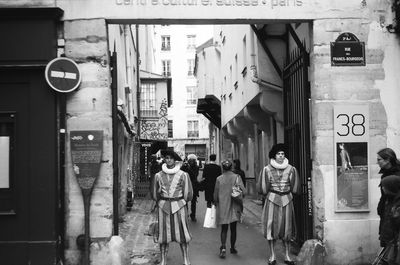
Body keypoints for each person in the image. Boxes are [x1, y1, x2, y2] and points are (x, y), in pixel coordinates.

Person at [257, 143, 301, 265]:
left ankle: (287, 255)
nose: (281, 156)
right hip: (272, 200)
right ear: (274, 156)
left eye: (282, 154)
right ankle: (272, 256)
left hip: (287, 200)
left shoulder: (291, 169)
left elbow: (295, 187)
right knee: (271, 228)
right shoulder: (266, 169)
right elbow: (263, 189)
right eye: (278, 154)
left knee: (287, 229)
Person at [151, 150, 193, 265]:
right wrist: (159, 193)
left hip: (179, 207)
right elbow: (154, 195)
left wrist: (182, 202)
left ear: (175, 160)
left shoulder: (183, 175)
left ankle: (185, 258)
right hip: (163, 207)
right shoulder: (158, 176)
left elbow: (188, 194)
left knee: (183, 234)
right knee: (163, 235)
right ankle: (163, 260)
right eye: (166, 158)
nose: (168, 160)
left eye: (170, 158)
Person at [214, 160, 245, 259]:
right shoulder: (237, 177)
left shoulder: (219, 178)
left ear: (223, 168)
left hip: (223, 206)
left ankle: (223, 247)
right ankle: (232, 247)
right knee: (233, 228)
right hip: (234, 206)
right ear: (231, 167)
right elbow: (244, 191)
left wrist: (215, 202)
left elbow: (215, 195)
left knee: (224, 228)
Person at [377, 148, 400, 248]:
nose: (377, 162)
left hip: (394, 211)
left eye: (379, 160)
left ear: (388, 160)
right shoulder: (385, 174)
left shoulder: (397, 174)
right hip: (386, 210)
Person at [378, 175, 400, 264]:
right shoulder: (389, 199)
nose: (383, 188)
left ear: (391, 187)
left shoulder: (397, 203)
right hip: (391, 240)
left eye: (384, 186)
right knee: (390, 260)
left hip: (396, 240)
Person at [181, 154, 200, 222]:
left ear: (194, 161)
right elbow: (181, 174)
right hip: (185, 185)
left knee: (193, 201)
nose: (191, 161)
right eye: (190, 160)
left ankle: (193, 215)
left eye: (193, 160)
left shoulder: (196, 167)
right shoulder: (184, 166)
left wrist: (188, 169)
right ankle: (186, 214)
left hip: (193, 186)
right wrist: (183, 167)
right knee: (184, 201)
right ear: (188, 160)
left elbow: (194, 175)